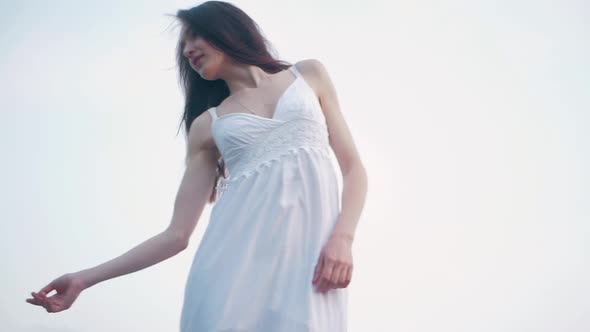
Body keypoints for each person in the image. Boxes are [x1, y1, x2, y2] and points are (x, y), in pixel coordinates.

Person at [26, 1, 368, 330]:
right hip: (229, 275)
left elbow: (353, 169)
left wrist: (343, 239)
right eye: (183, 44)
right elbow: (176, 235)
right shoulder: (208, 125)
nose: (187, 49)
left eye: (194, 35)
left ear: (228, 29)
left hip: (311, 268)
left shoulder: (308, 75)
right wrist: (84, 279)